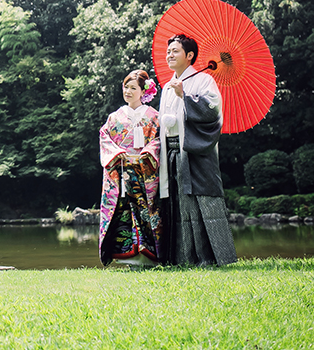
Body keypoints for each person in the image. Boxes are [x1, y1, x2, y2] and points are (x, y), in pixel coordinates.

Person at [158, 33, 237, 266]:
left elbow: (212, 112)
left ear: (190, 55)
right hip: (171, 151)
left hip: (194, 151)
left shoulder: (204, 81)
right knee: (178, 203)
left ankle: (210, 257)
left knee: (201, 201)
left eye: (175, 51)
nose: (169, 55)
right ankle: (181, 257)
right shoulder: (165, 87)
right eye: (168, 51)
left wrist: (186, 96)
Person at [98, 69, 162, 267]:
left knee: (145, 210)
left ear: (143, 92)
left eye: (133, 88)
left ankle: (148, 256)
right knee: (122, 210)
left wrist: (148, 153)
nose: (128, 91)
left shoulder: (153, 116)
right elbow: (104, 137)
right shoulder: (115, 117)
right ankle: (124, 255)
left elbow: (159, 140)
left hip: (144, 171)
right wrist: (117, 153)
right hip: (121, 170)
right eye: (126, 87)